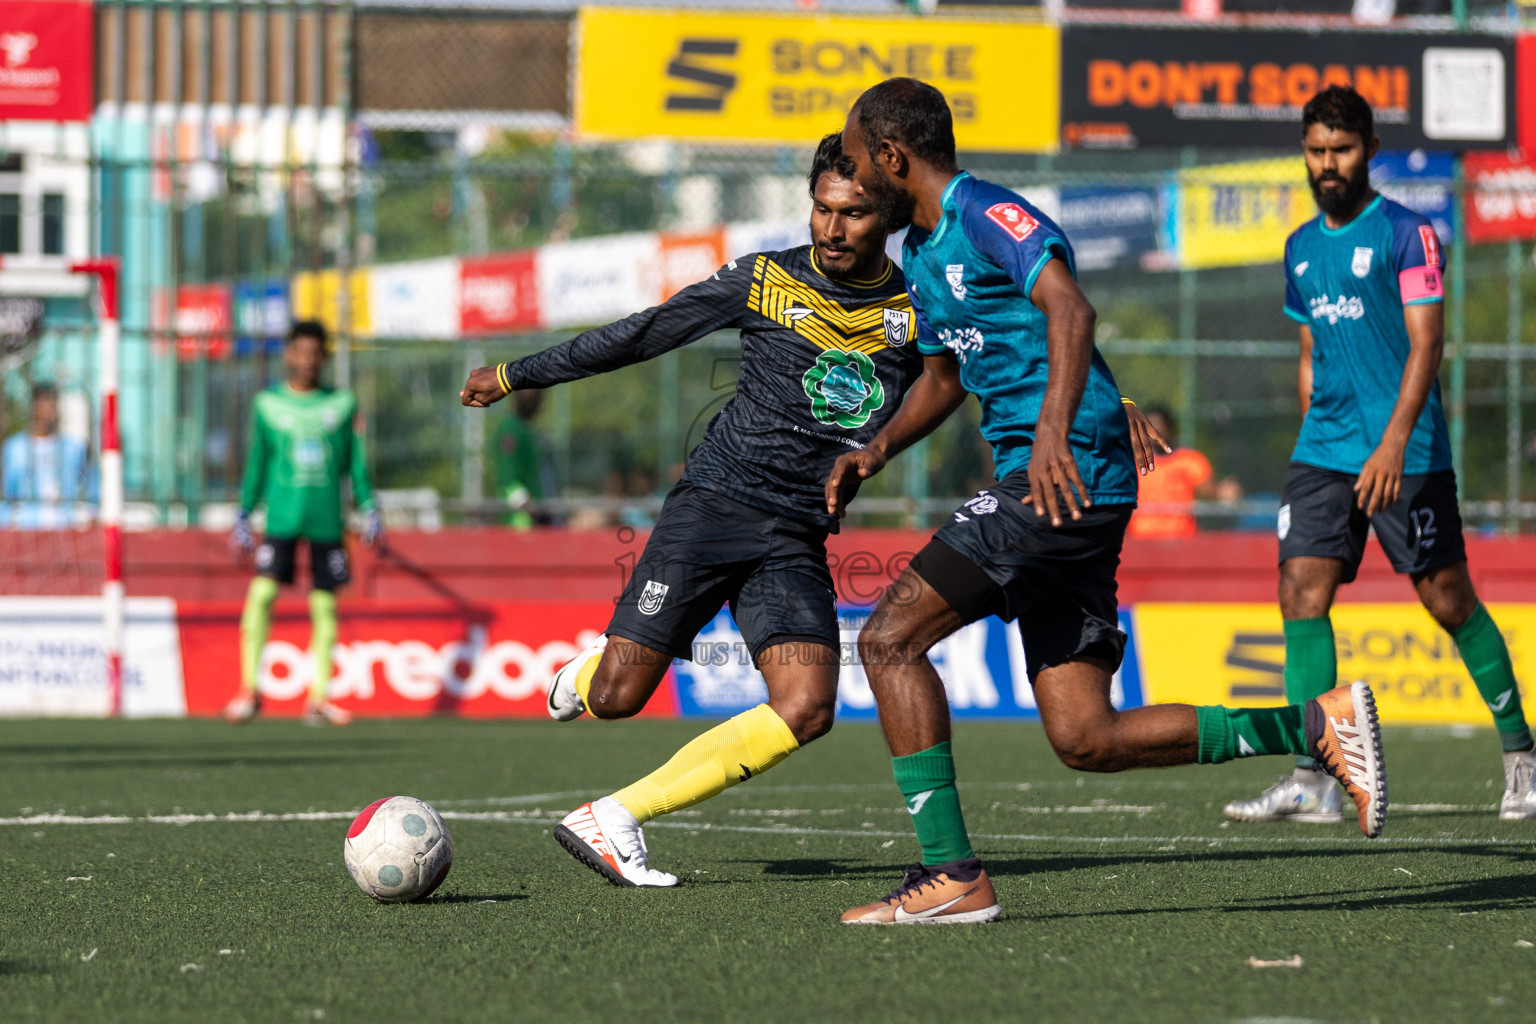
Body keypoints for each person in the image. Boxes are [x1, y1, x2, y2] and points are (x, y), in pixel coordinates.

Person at [823, 78, 1386, 926]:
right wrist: (876, 447)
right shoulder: (922, 257)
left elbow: (1071, 309)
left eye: (862, 163)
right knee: (1086, 736)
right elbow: (943, 378)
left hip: (1061, 471)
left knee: (889, 638)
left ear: (895, 158)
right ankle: (1313, 726)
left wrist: (1052, 432)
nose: (857, 181)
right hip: (1062, 477)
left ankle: (952, 877)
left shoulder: (986, 213)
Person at [459, 133, 926, 887]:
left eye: (856, 213)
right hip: (714, 507)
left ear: (890, 218)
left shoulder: (916, 308)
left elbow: (1003, 365)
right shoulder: (766, 280)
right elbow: (642, 333)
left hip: (797, 534)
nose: (833, 229)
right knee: (617, 698)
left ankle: (612, 816)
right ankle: (589, 676)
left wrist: (1096, 400)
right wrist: (517, 373)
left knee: (808, 707)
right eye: (822, 208)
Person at [1224, 86, 1536, 824]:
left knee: (1447, 600)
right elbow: (1308, 349)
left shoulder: (1408, 233)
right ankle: (1315, 778)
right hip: (1325, 449)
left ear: (1368, 151)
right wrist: (1313, 440)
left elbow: (1428, 345)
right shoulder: (1300, 246)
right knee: (1301, 591)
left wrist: (1393, 443)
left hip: (1409, 448)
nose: (1327, 165)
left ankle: (1522, 756)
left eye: (1341, 150)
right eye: (1316, 152)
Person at [224, 321, 384, 727]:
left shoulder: (343, 404)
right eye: (301, 352)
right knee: (261, 594)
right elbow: (258, 461)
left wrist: (369, 506)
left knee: (325, 604)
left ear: (324, 357)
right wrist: (244, 511)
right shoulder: (267, 404)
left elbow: (355, 463)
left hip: (326, 519)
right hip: (281, 517)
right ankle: (249, 689)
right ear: (289, 355)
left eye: (316, 353)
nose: (308, 360)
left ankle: (318, 700)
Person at [1127, 405, 1242, 539]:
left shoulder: (1189, 460)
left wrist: (1224, 492)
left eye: (1157, 426)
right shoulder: (1133, 463)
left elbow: (1210, 490)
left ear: (1169, 428)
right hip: (1142, 540)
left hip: (1181, 540)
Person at [1, 382, 92, 529]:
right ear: (33, 406)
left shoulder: (72, 448)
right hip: (27, 530)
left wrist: (90, 515)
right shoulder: (15, 448)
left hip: (65, 528)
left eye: (52, 402)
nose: (48, 409)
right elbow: (7, 494)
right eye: (42, 402)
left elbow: (90, 488)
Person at [493, 389, 554, 530]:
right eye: (528, 395)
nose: (534, 400)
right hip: (520, 519)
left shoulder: (529, 430)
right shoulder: (510, 430)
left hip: (536, 513)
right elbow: (507, 474)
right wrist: (525, 505)